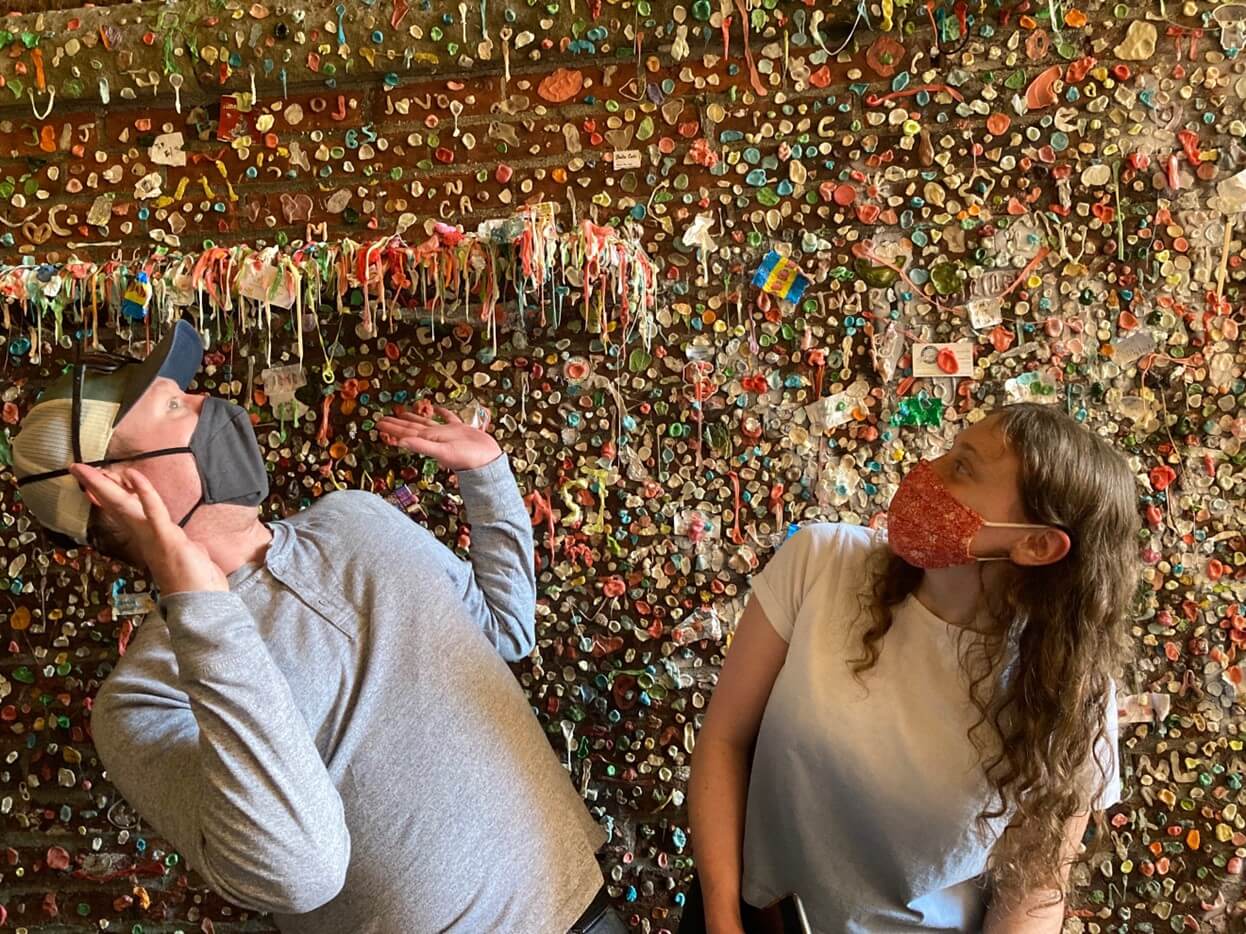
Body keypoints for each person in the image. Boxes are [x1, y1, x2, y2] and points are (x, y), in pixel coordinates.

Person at [11, 320, 625, 934]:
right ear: (112, 484)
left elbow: (505, 629)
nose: (210, 403)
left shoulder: (355, 518)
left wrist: (488, 473)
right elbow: (298, 873)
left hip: (585, 903)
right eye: (175, 404)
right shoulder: (145, 699)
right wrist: (200, 604)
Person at [684, 404, 1139, 934]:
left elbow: (1034, 894)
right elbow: (724, 741)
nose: (926, 472)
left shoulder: (1072, 695)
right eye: (949, 451)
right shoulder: (819, 561)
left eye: (963, 467)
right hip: (749, 918)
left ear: (1036, 544)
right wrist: (721, 918)